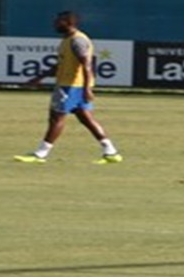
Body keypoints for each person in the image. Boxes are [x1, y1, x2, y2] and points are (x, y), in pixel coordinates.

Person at [13, 10, 124, 164]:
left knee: (56, 119)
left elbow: (86, 65)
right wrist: (39, 77)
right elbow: (61, 64)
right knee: (86, 119)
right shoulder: (67, 40)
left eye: (58, 21)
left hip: (71, 86)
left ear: (68, 22)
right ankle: (111, 152)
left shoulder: (78, 40)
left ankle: (40, 154)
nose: (55, 24)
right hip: (73, 86)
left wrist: (87, 89)